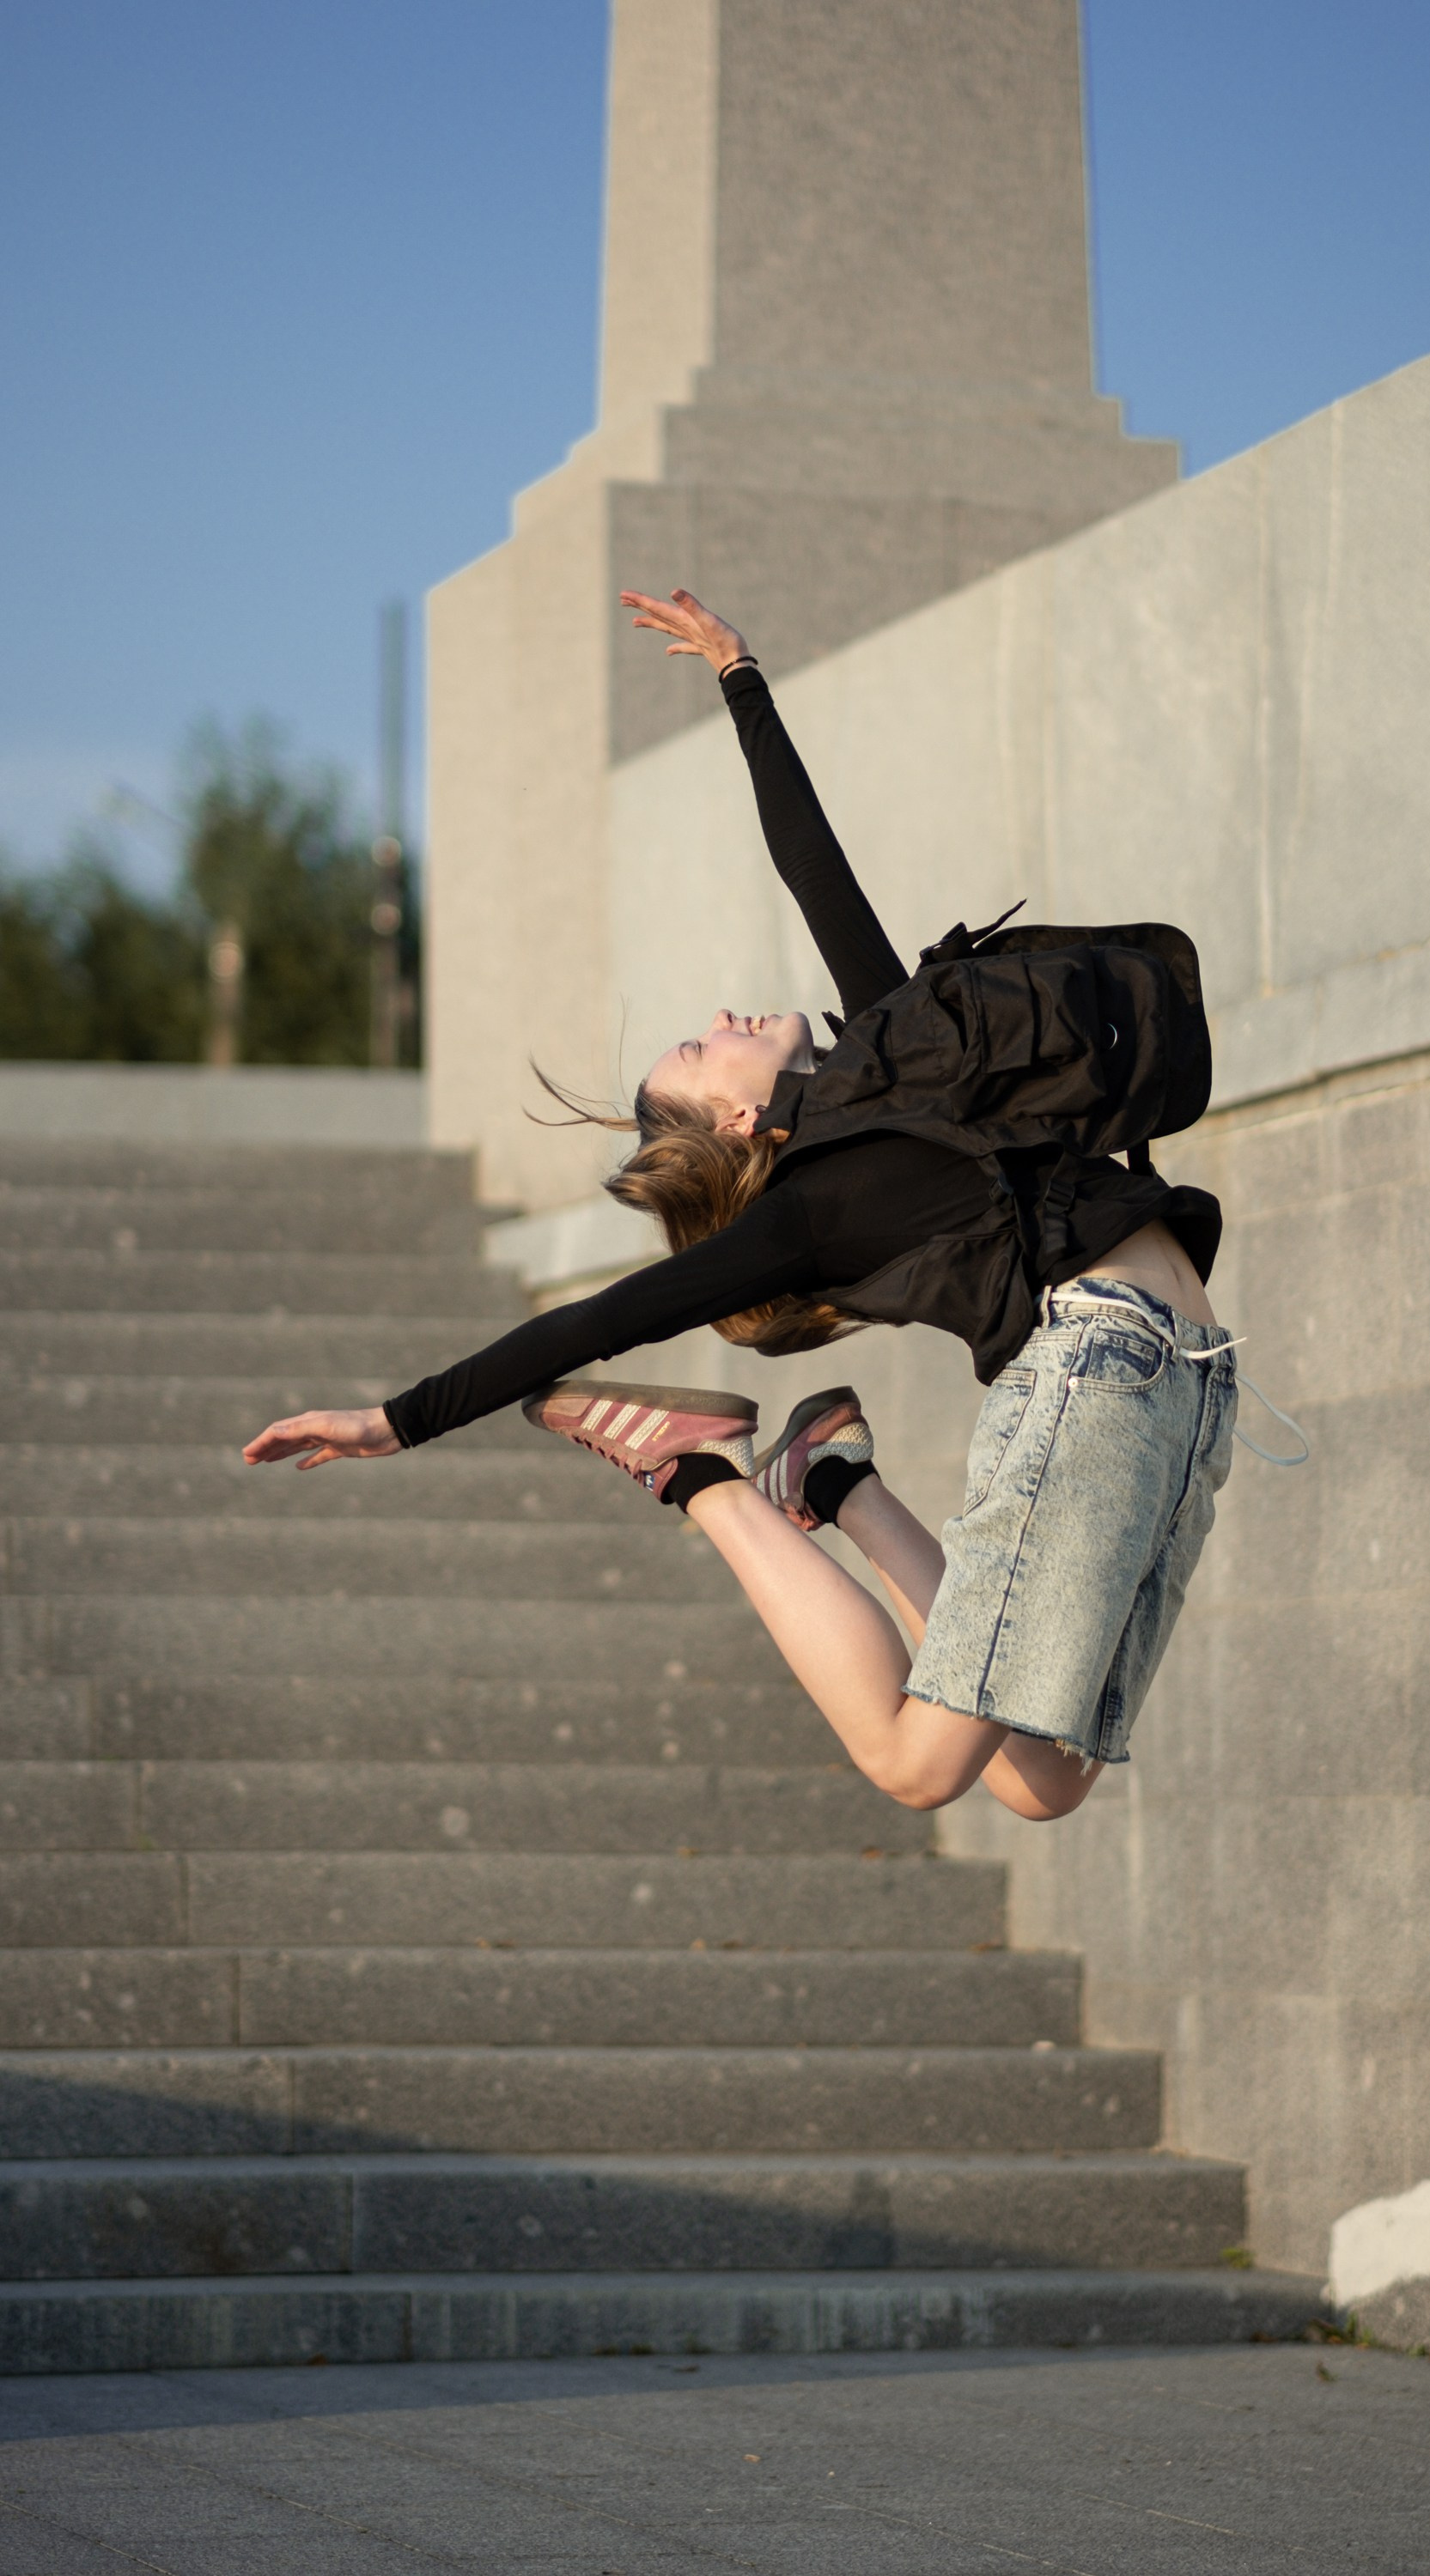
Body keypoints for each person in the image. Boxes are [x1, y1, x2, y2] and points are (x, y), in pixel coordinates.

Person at [244, 588, 1244, 1824]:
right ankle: (704, 1480)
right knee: (916, 1766)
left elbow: (817, 872)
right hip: (1103, 1372)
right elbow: (595, 1323)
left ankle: (834, 1484)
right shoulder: (806, 1216)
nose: (721, 1020)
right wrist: (393, 1420)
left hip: (1189, 1379)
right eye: (699, 1046)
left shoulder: (906, 1060)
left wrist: (741, 679)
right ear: (734, 1123)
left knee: (1041, 1779)